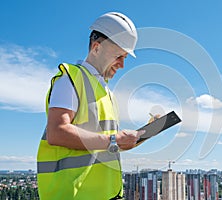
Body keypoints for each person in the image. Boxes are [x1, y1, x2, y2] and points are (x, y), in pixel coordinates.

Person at [37, 12, 145, 200]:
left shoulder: (106, 92)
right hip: (73, 195)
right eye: (119, 56)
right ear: (96, 47)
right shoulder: (71, 78)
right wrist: (114, 141)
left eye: (125, 58)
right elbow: (57, 132)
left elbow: (107, 143)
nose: (122, 65)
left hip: (106, 194)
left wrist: (140, 136)